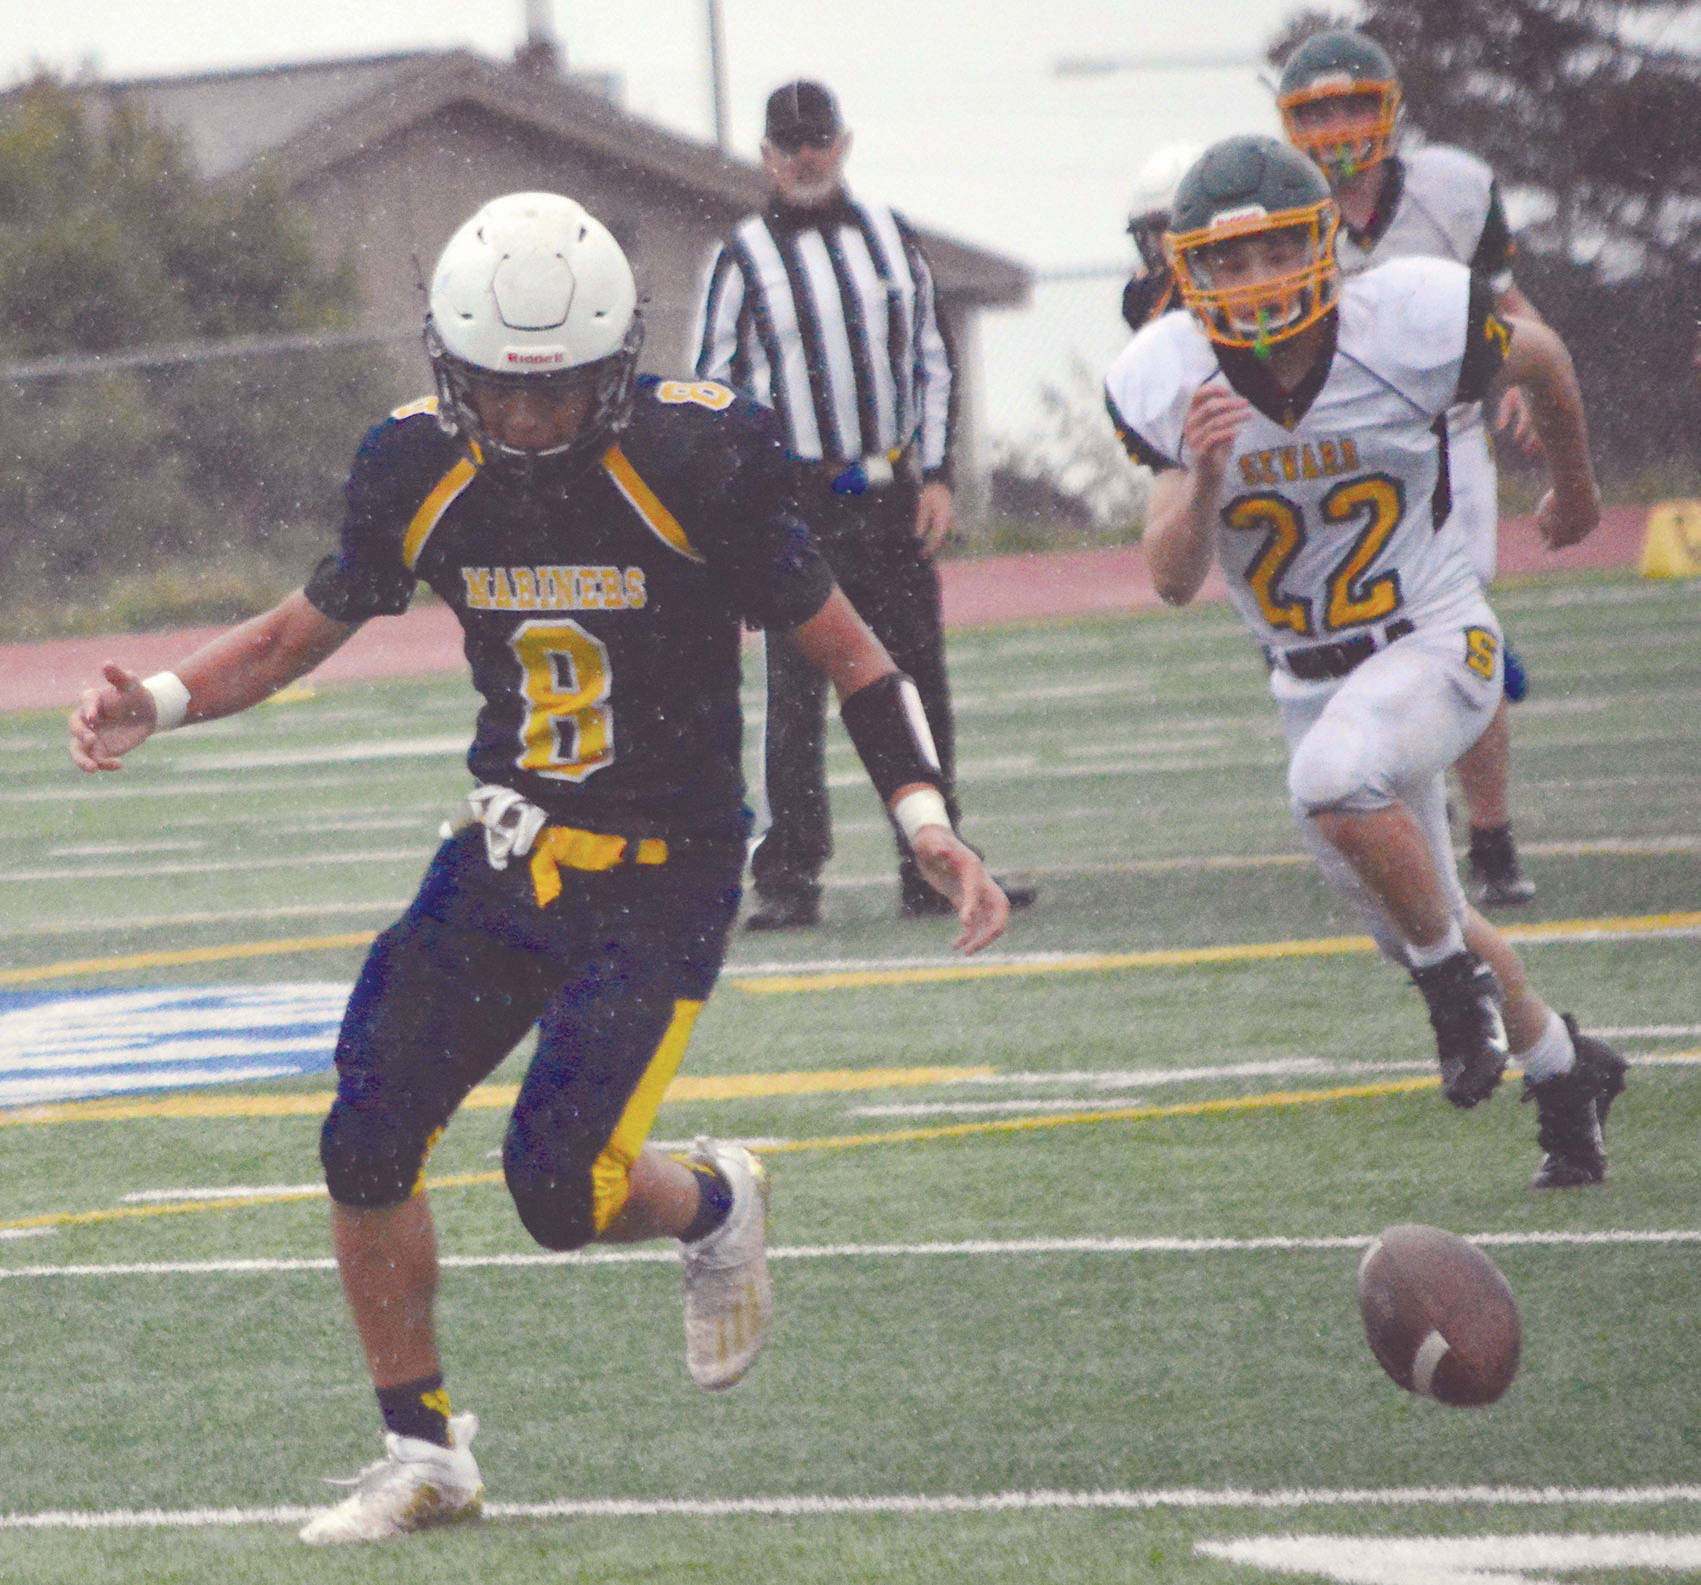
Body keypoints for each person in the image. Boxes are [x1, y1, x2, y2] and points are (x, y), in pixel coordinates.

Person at [70, 191, 1010, 1544]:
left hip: (666, 867)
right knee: (365, 1127)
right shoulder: (413, 465)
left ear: (616, 363)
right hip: (507, 850)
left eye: (556, 392)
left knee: (559, 1194)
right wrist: (150, 701)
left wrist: (925, 818)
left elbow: (855, 656)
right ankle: (423, 1450)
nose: (522, 422)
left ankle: (717, 1198)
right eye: (496, 395)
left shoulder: (698, 456)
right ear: (452, 373)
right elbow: (295, 632)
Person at [1104, 135, 1627, 1190]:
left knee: (1342, 794)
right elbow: (1167, 576)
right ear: (1186, 270)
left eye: (1275, 252)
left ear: (1324, 242)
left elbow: (1548, 357)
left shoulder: (1415, 317)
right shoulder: (1168, 375)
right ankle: (1567, 1071)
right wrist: (1204, 473)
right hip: (1309, 679)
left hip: (1436, 637)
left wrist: (1576, 486)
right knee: (1422, 907)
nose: (1252, 283)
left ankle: (1453, 996)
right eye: (1225, 262)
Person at [690, 79, 1035, 929]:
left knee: (915, 681)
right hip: (795, 499)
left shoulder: (889, 235)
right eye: (789, 142)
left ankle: (934, 864)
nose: (806, 155)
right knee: (795, 695)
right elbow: (709, 387)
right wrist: (733, 509)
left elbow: (933, 357)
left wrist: (939, 472)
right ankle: (789, 877)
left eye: (819, 138)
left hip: (887, 493)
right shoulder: (738, 255)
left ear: (842, 144)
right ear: (767, 156)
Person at [1275, 28, 1541, 908]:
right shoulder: (1276, 209)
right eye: (1318, 110)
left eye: (1356, 102)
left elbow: (1504, 303)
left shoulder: (1452, 189)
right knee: (1345, 638)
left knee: (1454, 622)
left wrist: (1533, 381)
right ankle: (1388, 805)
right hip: (1332, 456)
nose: (1340, 126)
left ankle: (1490, 833)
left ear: (1389, 110)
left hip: (1446, 428)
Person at [1120, 143, 1198, 333]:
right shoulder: (1143, 296)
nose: (1155, 245)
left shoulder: (1221, 288)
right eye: (1149, 233)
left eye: (1162, 229)